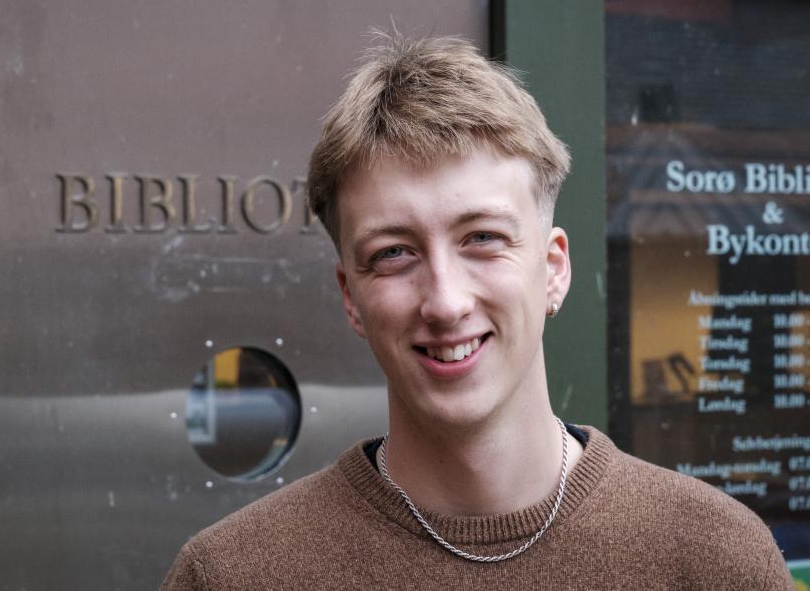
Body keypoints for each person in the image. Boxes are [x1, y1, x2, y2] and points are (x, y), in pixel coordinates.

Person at [161, 35, 792, 589]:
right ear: (350, 297)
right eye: (394, 253)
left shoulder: (711, 559)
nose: (446, 301)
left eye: (482, 238)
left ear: (552, 269)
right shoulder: (233, 576)